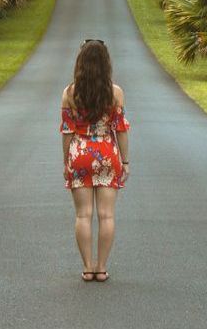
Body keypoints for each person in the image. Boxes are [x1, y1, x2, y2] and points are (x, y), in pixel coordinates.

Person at [61, 37, 129, 282]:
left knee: (83, 215)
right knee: (106, 215)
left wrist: (66, 162)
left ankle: (87, 267)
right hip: (107, 152)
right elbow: (120, 129)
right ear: (105, 64)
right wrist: (126, 161)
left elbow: (67, 131)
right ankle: (101, 267)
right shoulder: (115, 93)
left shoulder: (69, 93)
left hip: (79, 152)